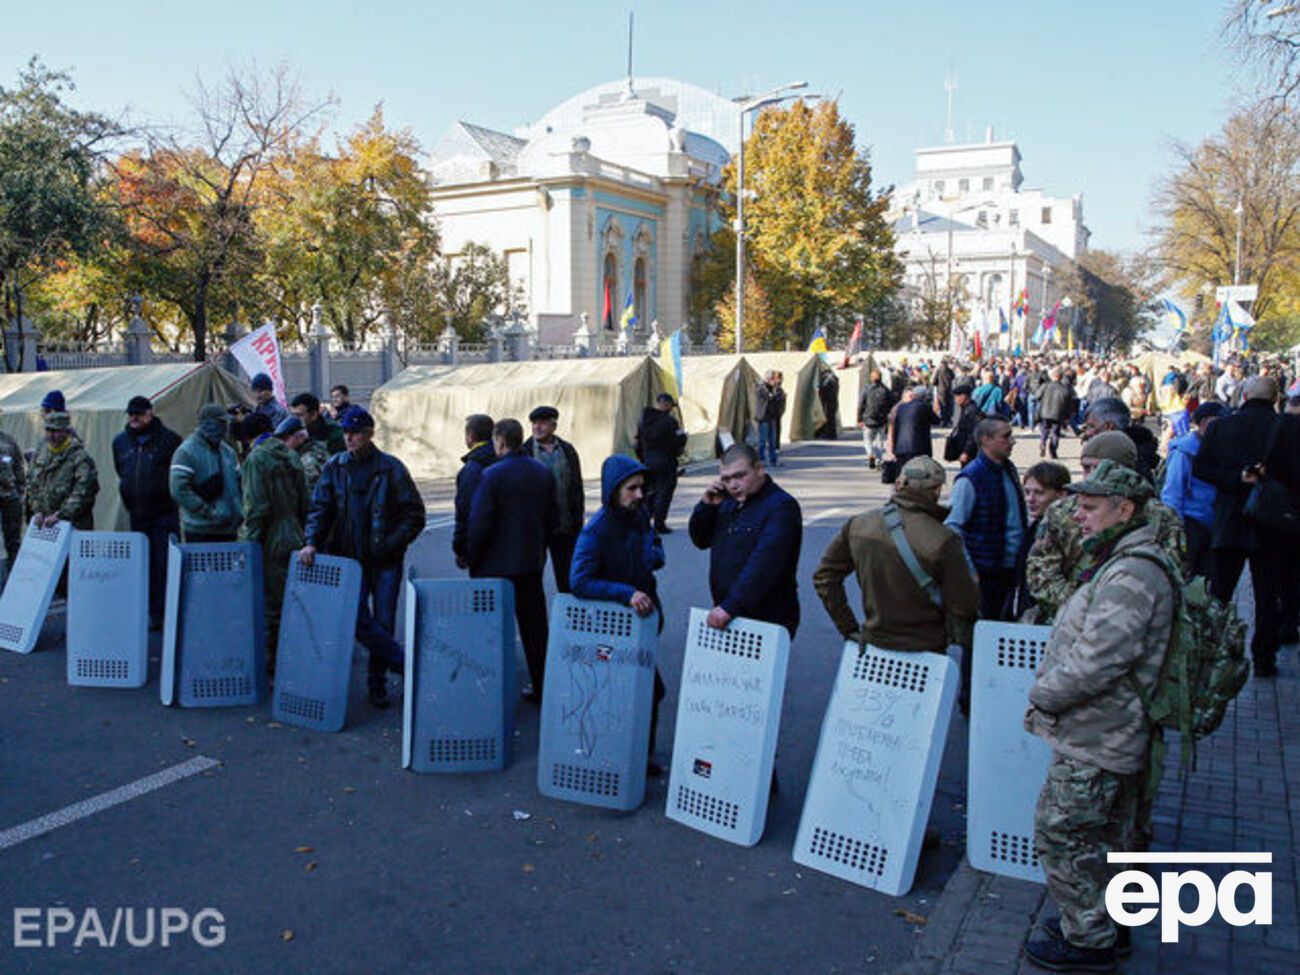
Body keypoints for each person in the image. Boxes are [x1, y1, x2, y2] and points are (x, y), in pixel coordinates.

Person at [1023, 460, 1175, 974]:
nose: (1080, 518)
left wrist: (1045, 693)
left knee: (1063, 830)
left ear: (1124, 509)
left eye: (1090, 508)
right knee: (1106, 833)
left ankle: (1089, 940)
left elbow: (1101, 657)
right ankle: (1101, 923)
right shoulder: (1125, 558)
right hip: (1103, 727)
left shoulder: (1132, 571)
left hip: (1099, 731)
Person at [301, 407, 425, 707]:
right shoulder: (335, 466)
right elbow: (321, 507)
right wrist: (311, 542)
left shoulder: (391, 468)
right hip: (349, 560)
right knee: (354, 618)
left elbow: (415, 514)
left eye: (354, 432)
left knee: (382, 621)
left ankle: (376, 685)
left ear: (369, 434)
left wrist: (391, 544)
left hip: (384, 560)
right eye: (345, 432)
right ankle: (400, 662)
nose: (349, 437)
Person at [813, 455, 979, 656]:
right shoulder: (944, 540)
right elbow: (964, 605)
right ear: (936, 490)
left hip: (873, 645)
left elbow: (824, 578)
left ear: (899, 484)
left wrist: (849, 628)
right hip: (926, 649)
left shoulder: (858, 525)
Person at [1193, 375, 1299, 677]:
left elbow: (1202, 467)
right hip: (1274, 522)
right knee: (1268, 594)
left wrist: (1237, 478)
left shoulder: (1222, 426)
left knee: (1221, 591)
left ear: (1245, 394)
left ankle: (1210, 650)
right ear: (1275, 398)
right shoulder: (1289, 428)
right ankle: (1264, 657)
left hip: (1231, 517)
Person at [570, 454, 669, 775]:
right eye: (632, 489)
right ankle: (614, 757)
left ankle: (640, 756)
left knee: (647, 690)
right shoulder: (596, 530)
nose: (640, 495)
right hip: (613, 627)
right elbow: (579, 581)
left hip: (643, 623)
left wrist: (653, 556)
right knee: (636, 690)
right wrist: (626, 594)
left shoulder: (640, 515)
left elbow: (652, 544)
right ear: (614, 490)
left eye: (642, 488)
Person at [1027, 431, 1186, 624]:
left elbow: (1172, 577)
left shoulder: (1162, 518)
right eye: (1086, 468)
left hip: (1132, 619)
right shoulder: (1061, 512)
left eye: (1100, 468)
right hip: (1065, 617)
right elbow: (1040, 571)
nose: (1092, 477)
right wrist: (1079, 605)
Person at [467, 418, 555, 701]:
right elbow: (550, 515)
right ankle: (543, 685)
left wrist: (472, 556)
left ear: (500, 441)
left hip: (495, 564)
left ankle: (491, 690)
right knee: (535, 628)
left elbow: (480, 522)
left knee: (491, 628)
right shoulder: (542, 472)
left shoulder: (492, 475)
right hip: (530, 560)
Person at [945, 417, 1026, 708]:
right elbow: (954, 526)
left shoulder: (1007, 469)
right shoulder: (971, 477)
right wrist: (969, 571)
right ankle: (972, 698)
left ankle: (994, 693)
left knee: (1002, 634)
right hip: (984, 571)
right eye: (1005, 436)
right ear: (986, 440)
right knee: (979, 639)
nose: (1011, 441)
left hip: (1007, 568)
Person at [688, 442, 802, 637]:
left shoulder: (781, 507)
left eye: (740, 476)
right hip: (729, 612)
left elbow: (766, 563)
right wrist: (706, 507)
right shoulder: (727, 502)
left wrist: (731, 606)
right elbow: (700, 539)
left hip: (766, 618)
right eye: (726, 479)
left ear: (759, 469)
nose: (733, 485)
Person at [239, 412, 309, 676]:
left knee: (272, 606)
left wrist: (246, 544)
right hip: (295, 534)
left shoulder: (256, 459)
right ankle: (297, 654)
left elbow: (256, 508)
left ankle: (275, 664)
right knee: (294, 599)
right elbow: (306, 501)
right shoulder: (290, 455)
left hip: (272, 538)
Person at [112, 396, 182, 628]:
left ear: (150, 413)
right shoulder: (120, 442)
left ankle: (166, 611)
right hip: (138, 513)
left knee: (164, 564)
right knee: (143, 564)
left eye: (139, 414)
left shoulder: (170, 440)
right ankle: (149, 610)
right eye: (131, 413)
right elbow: (122, 472)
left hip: (164, 513)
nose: (134, 417)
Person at [1160, 401, 1227, 579]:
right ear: (1204, 423)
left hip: (1213, 523)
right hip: (1191, 523)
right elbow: (1173, 491)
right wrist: (1176, 526)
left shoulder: (1218, 447)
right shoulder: (1184, 451)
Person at [522, 405, 584, 593]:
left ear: (553, 426)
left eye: (542, 423)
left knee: (568, 579)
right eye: (534, 424)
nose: (537, 427)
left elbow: (576, 487)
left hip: (565, 527)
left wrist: (577, 520)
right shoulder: (525, 452)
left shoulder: (567, 450)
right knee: (532, 580)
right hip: (536, 529)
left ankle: (570, 618)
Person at [1007, 461, 1071, 621]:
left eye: (1039, 493)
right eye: (1027, 492)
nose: (1030, 499)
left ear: (1061, 494)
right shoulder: (1036, 526)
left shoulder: (1064, 532)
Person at [170, 404, 243, 543]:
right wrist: (207, 512)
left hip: (229, 529)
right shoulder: (186, 452)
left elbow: (240, 483)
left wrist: (239, 509)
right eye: (221, 422)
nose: (224, 427)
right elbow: (179, 490)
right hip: (200, 530)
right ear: (207, 423)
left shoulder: (228, 452)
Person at [27, 412, 98, 531]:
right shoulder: (40, 454)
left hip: (73, 525)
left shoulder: (79, 458)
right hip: (45, 525)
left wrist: (61, 514)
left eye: (55, 431)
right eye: (48, 430)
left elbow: (84, 492)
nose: (51, 435)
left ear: (66, 431)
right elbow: (31, 482)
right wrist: (37, 510)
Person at [635, 393, 686, 534]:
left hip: (647, 461)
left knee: (648, 492)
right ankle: (659, 523)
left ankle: (644, 520)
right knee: (664, 492)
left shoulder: (644, 421)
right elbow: (679, 441)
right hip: (666, 461)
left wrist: (642, 459)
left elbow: (637, 442)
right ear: (666, 404)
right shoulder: (670, 422)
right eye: (670, 405)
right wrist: (682, 440)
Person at [453, 413, 497, 570]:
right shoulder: (506, 459)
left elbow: (465, 512)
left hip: (482, 547)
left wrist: (461, 549)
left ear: (470, 436)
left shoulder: (471, 469)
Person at [888, 385, 941, 471]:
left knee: (903, 473)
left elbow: (896, 428)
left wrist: (893, 447)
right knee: (918, 474)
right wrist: (936, 410)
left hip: (901, 448)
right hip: (919, 449)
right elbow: (937, 421)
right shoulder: (925, 407)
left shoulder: (901, 407)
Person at [278, 415, 330, 492]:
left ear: (301, 437)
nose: (282, 443)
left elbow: (301, 484)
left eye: (286, 438)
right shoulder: (298, 453)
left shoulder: (314, 456)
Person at [857, 369, 894, 470]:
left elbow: (861, 404)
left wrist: (859, 418)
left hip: (868, 419)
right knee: (880, 441)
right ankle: (878, 460)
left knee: (867, 441)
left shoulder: (866, 389)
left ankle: (870, 454)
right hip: (881, 420)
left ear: (871, 378)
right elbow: (892, 404)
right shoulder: (886, 390)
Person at [0, 422, 25, 563]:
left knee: (13, 542)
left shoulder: (8, 441)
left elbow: (19, 467)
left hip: (10, 499)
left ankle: (12, 577)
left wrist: (20, 494)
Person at [943, 381, 984, 465]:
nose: (955, 400)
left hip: (971, 454)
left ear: (964, 396)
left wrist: (966, 452)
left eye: (957, 397)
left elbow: (973, 434)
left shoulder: (971, 411)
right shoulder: (965, 409)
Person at [1036, 367, 1073, 459]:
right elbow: (1068, 405)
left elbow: (1037, 396)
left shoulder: (1046, 386)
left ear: (1052, 376)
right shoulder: (1065, 389)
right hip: (1058, 413)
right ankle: (1053, 451)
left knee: (1044, 430)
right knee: (1055, 433)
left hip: (1045, 412)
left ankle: (1043, 443)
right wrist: (1067, 417)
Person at [755, 371, 787, 467]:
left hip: (772, 417)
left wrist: (776, 391)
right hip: (764, 417)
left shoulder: (776, 389)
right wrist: (772, 394)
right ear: (768, 379)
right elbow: (767, 398)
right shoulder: (761, 388)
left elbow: (778, 399)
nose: (775, 381)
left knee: (772, 441)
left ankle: (773, 460)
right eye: (773, 379)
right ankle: (761, 461)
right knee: (762, 441)